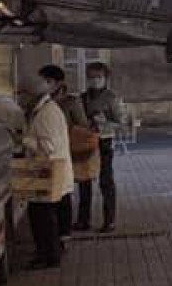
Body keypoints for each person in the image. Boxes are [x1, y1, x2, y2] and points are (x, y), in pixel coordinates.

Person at [16, 75, 73, 269]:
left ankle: (48, 256)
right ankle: (47, 252)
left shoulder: (48, 113)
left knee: (43, 217)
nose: (20, 99)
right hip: (45, 173)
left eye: (22, 95)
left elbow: (49, 146)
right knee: (40, 215)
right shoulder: (41, 111)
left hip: (47, 173)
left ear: (32, 95)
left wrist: (24, 140)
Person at [39, 65, 90, 244]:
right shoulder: (43, 103)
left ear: (57, 82)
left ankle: (68, 230)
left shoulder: (70, 102)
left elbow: (82, 125)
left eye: (47, 81)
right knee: (60, 193)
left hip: (68, 150)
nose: (43, 85)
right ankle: (63, 232)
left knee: (67, 192)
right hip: (57, 152)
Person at [80, 62, 122, 233]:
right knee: (84, 180)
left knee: (106, 181)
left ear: (105, 78)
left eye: (98, 77)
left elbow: (121, 123)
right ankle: (83, 219)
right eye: (91, 77)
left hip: (104, 141)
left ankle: (109, 220)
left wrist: (105, 123)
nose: (94, 80)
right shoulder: (83, 98)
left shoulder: (111, 98)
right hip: (85, 141)